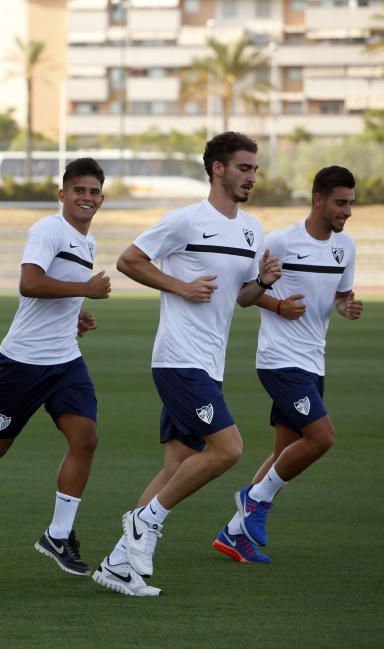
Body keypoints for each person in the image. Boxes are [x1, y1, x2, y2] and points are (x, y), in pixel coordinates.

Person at [93, 132, 282, 597]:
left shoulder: (252, 229)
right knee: (229, 449)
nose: (251, 177)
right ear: (217, 169)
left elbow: (240, 299)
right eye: (243, 168)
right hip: (179, 361)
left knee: (178, 463)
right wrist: (178, 286)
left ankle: (119, 565)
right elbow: (128, 260)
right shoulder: (184, 221)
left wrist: (261, 282)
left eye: (254, 169)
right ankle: (144, 522)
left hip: (209, 363)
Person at [0, 158, 110, 577]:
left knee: (86, 439)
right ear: (62, 195)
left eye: (94, 191)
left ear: (102, 198)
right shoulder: (48, 230)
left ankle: (58, 535)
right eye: (78, 190)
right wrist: (85, 289)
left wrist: (75, 313)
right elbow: (29, 282)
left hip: (65, 359)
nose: (86, 197)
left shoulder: (87, 240)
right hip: (24, 361)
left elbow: (54, 290)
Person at [212, 165, 362, 563]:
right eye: (340, 203)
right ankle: (254, 499)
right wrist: (277, 303)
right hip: (279, 360)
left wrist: (346, 307)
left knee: (286, 454)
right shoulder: (280, 241)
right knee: (322, 438)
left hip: (314, 361)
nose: (347, 211)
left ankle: (233, 533)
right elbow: (245, 291)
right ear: (318, 199)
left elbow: (341, 295)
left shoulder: (345, 247)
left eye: (350, 203)